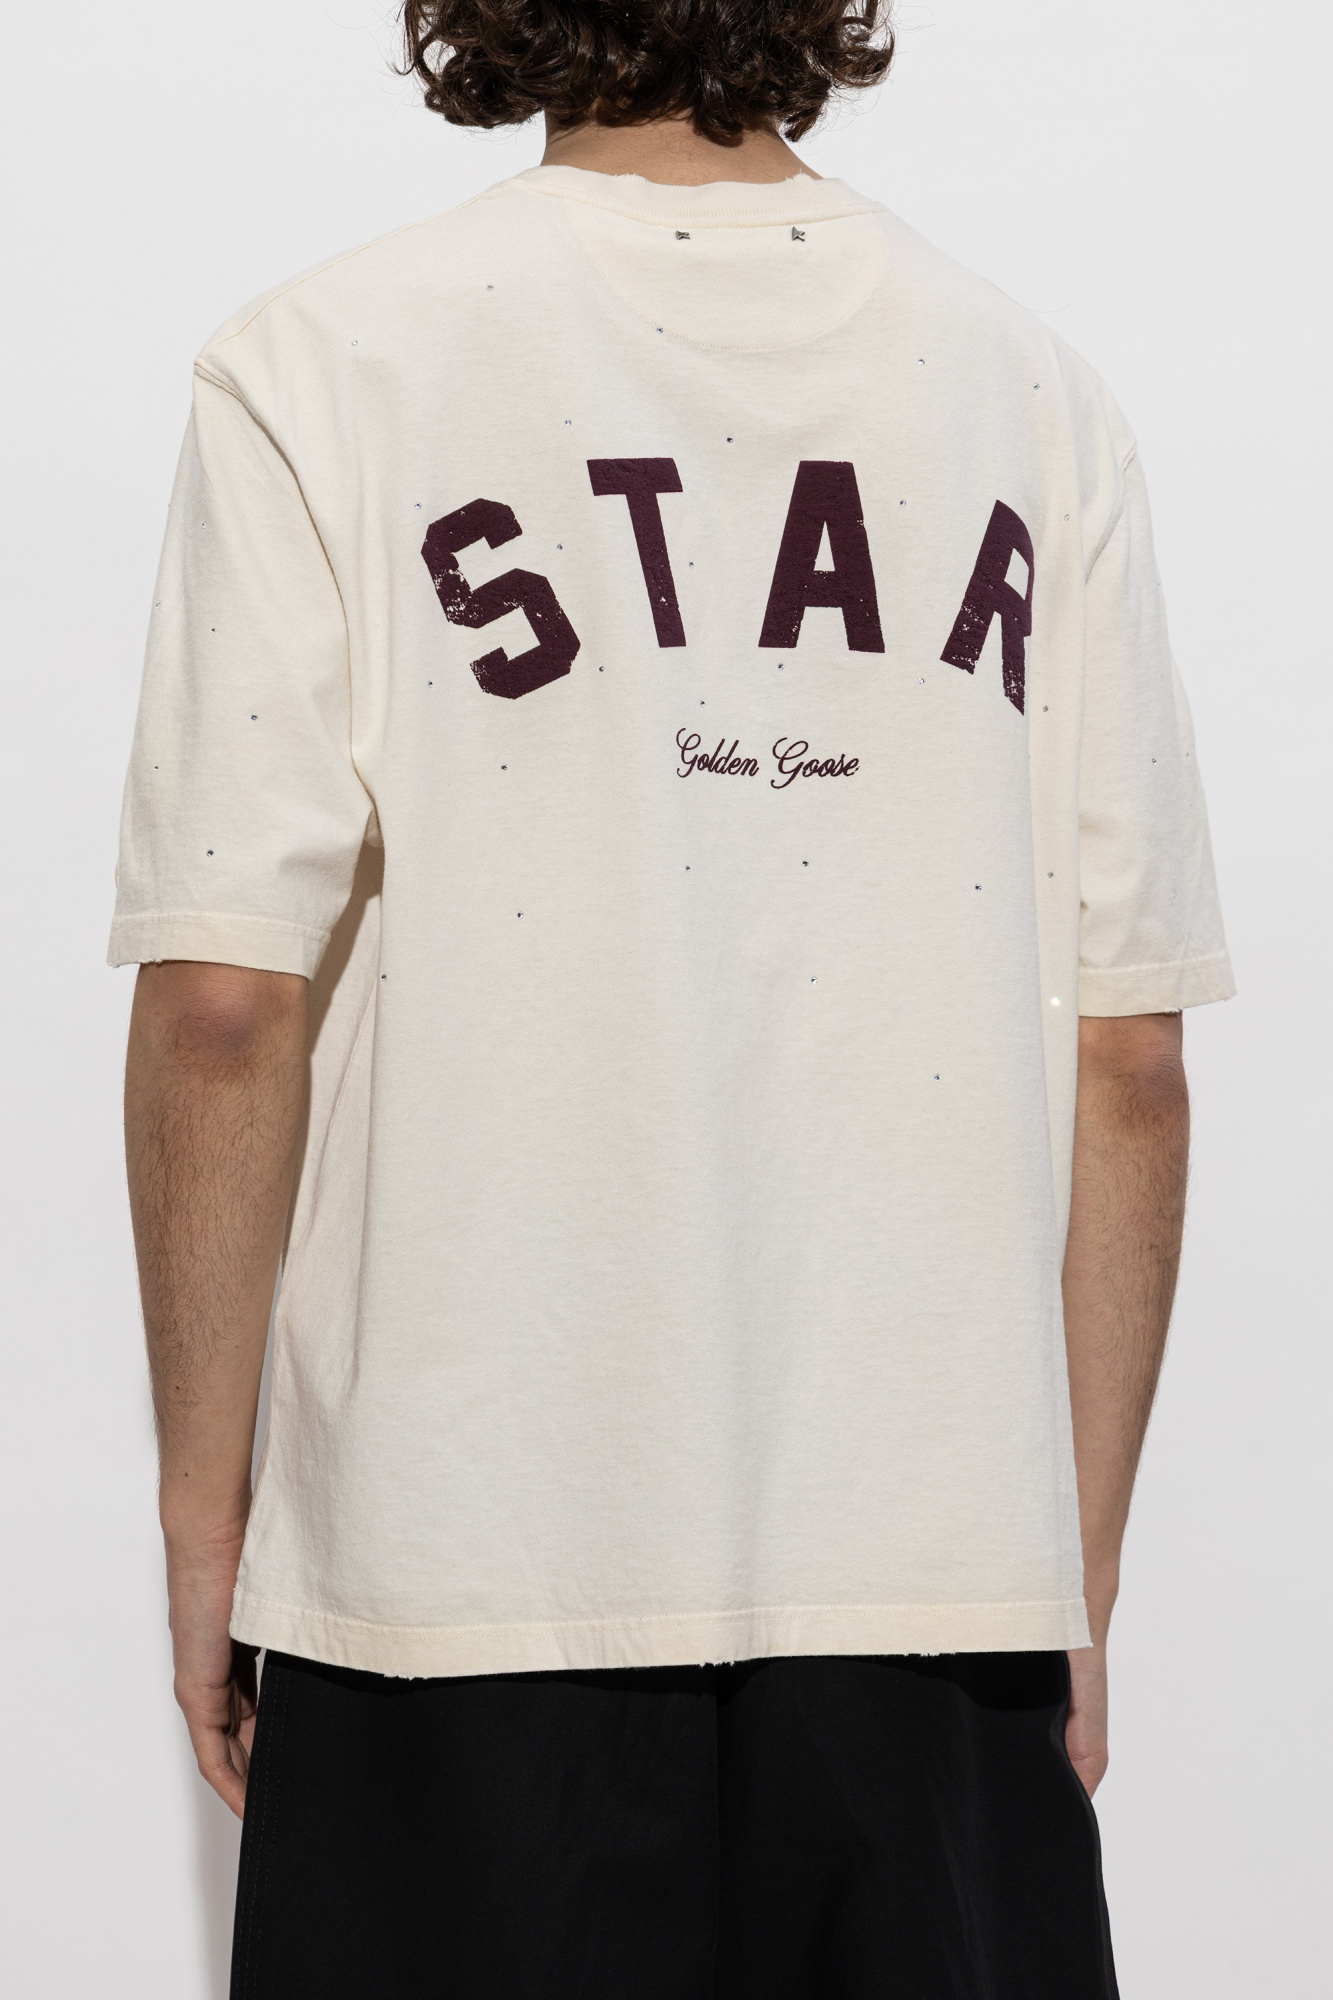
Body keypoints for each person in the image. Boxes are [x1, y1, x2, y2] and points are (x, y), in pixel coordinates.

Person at [111, 3, 1234, 1994]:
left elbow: (221, 1004)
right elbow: (1128, 1057)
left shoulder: (324, 359)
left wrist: (208, 1528)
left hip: (455, 1576)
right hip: (927, 1587)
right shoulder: (1029, 393)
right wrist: (1064, 1562)